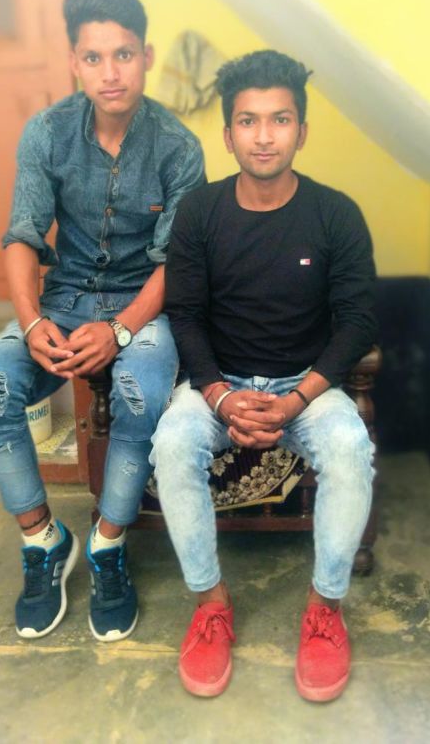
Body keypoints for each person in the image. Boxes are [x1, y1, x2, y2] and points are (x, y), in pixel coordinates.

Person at [0, 0, 205, 643]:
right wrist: (32, 321)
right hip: (61, 300)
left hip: (144, 306)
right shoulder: (46, 132)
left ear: (146, 56)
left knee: (139, 391)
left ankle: (107, 544)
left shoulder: (179, 148)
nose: (110, 72)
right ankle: (43, 539)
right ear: (75, 62)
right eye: (94, 57)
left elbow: (178, 262)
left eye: (123, 54)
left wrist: (122, 329)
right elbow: (22, 235)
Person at [150, 50, 377, 701]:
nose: (264, 136)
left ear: (302, 130)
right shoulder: (200, 212)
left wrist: (298, 397)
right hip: (219, 383)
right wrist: (220, 396)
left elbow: (357, 320)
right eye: (248, 121)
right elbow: (185, 313)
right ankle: (210, 604)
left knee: (349, 445)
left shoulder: (336, 214)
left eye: (280, 119)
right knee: (173, 442)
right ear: (228, 135)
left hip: (307, 384)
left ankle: (325, 609)